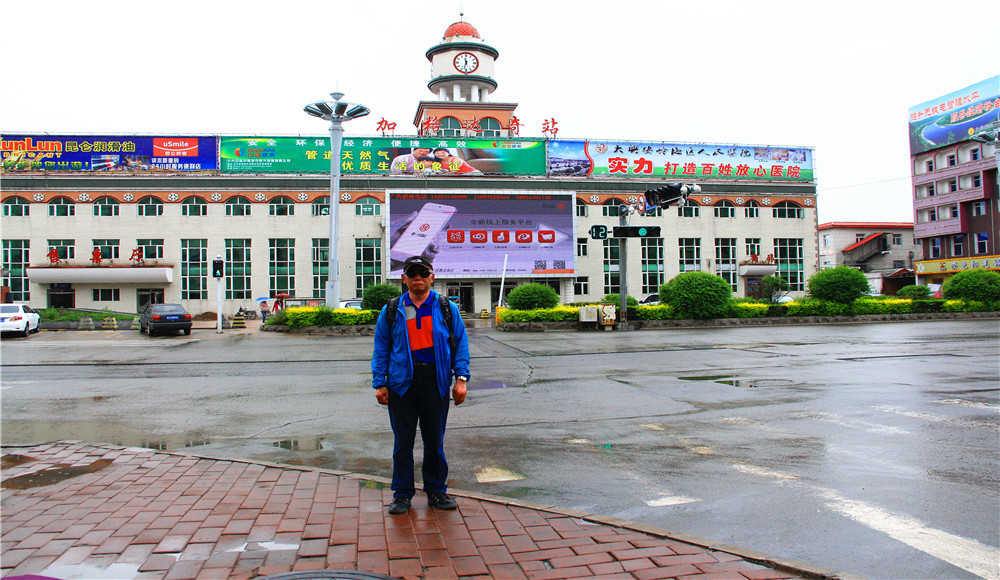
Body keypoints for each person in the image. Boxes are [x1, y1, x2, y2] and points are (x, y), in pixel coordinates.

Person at [371, 255, 470, 515]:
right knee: (402, 442)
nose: (418, 278)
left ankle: (436, 490)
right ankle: (402, 494)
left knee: (434, 440)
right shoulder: (392, 309)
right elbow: (381, 348)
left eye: (423, 273)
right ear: (404, 279)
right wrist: (379, 383)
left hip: (435, 381)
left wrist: (461, 379)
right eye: (412, 273)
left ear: (432, 277)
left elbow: (460, 344)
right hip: (402, 382)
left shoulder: (447, 307)